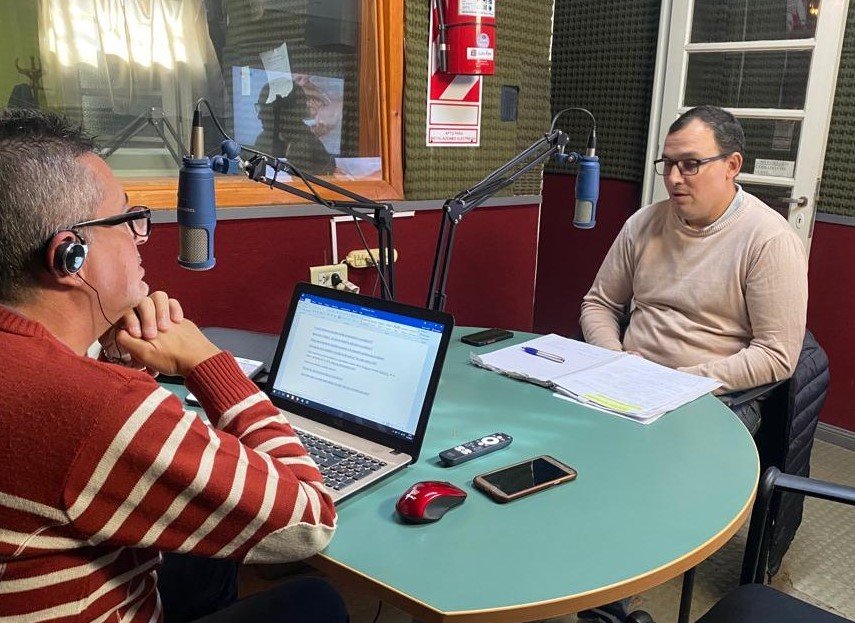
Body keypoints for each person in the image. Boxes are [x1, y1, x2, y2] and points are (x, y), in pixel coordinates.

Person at [0, 108, 347, 623]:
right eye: (126, 219)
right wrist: (206, 361)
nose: (142, 236)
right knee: (315, 602)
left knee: (209, 554)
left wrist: (110, 356)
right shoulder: (95, 408)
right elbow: (308, 521)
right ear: (69, 255)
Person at [576, 105, 808, 622]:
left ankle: (606, 604)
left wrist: (684, 382)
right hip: (628, 379)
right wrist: (614, 360)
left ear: (732, 165)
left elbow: (778, 354)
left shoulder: (769, 240)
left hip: (713, 394)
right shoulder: (644, 223)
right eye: (668, 164)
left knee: (636, 477)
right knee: (557, 447)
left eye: (691, 164)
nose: (675, 178)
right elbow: (599, 304)